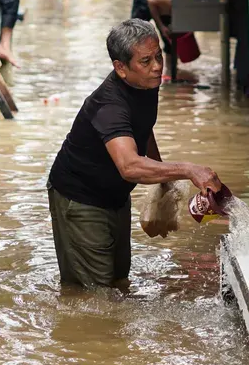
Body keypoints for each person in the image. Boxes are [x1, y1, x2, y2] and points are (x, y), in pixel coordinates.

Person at [47, 19, 222, 290]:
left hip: (115, 197)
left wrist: (164, 176)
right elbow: (129, 166)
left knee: (119, 280)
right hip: (80, 200)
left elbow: (142, 129)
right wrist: (188, 169)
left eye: (159, 56)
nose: (157, 67)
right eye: (146, 61)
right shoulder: (110, 105)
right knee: (93, 294)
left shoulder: (145, 85)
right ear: (121, 68)